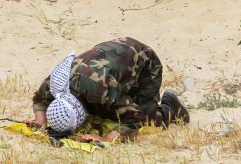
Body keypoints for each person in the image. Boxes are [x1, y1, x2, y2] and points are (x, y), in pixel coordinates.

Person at [29, 37, 190, 142]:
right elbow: (40, 99)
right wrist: (40, 121)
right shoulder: (56, 84)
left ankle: (172, 108)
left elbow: (135, 118)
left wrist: (106, 138)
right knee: (105, 114)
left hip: (144, 63)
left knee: (148, 121)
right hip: (115, 55)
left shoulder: (100, 92)